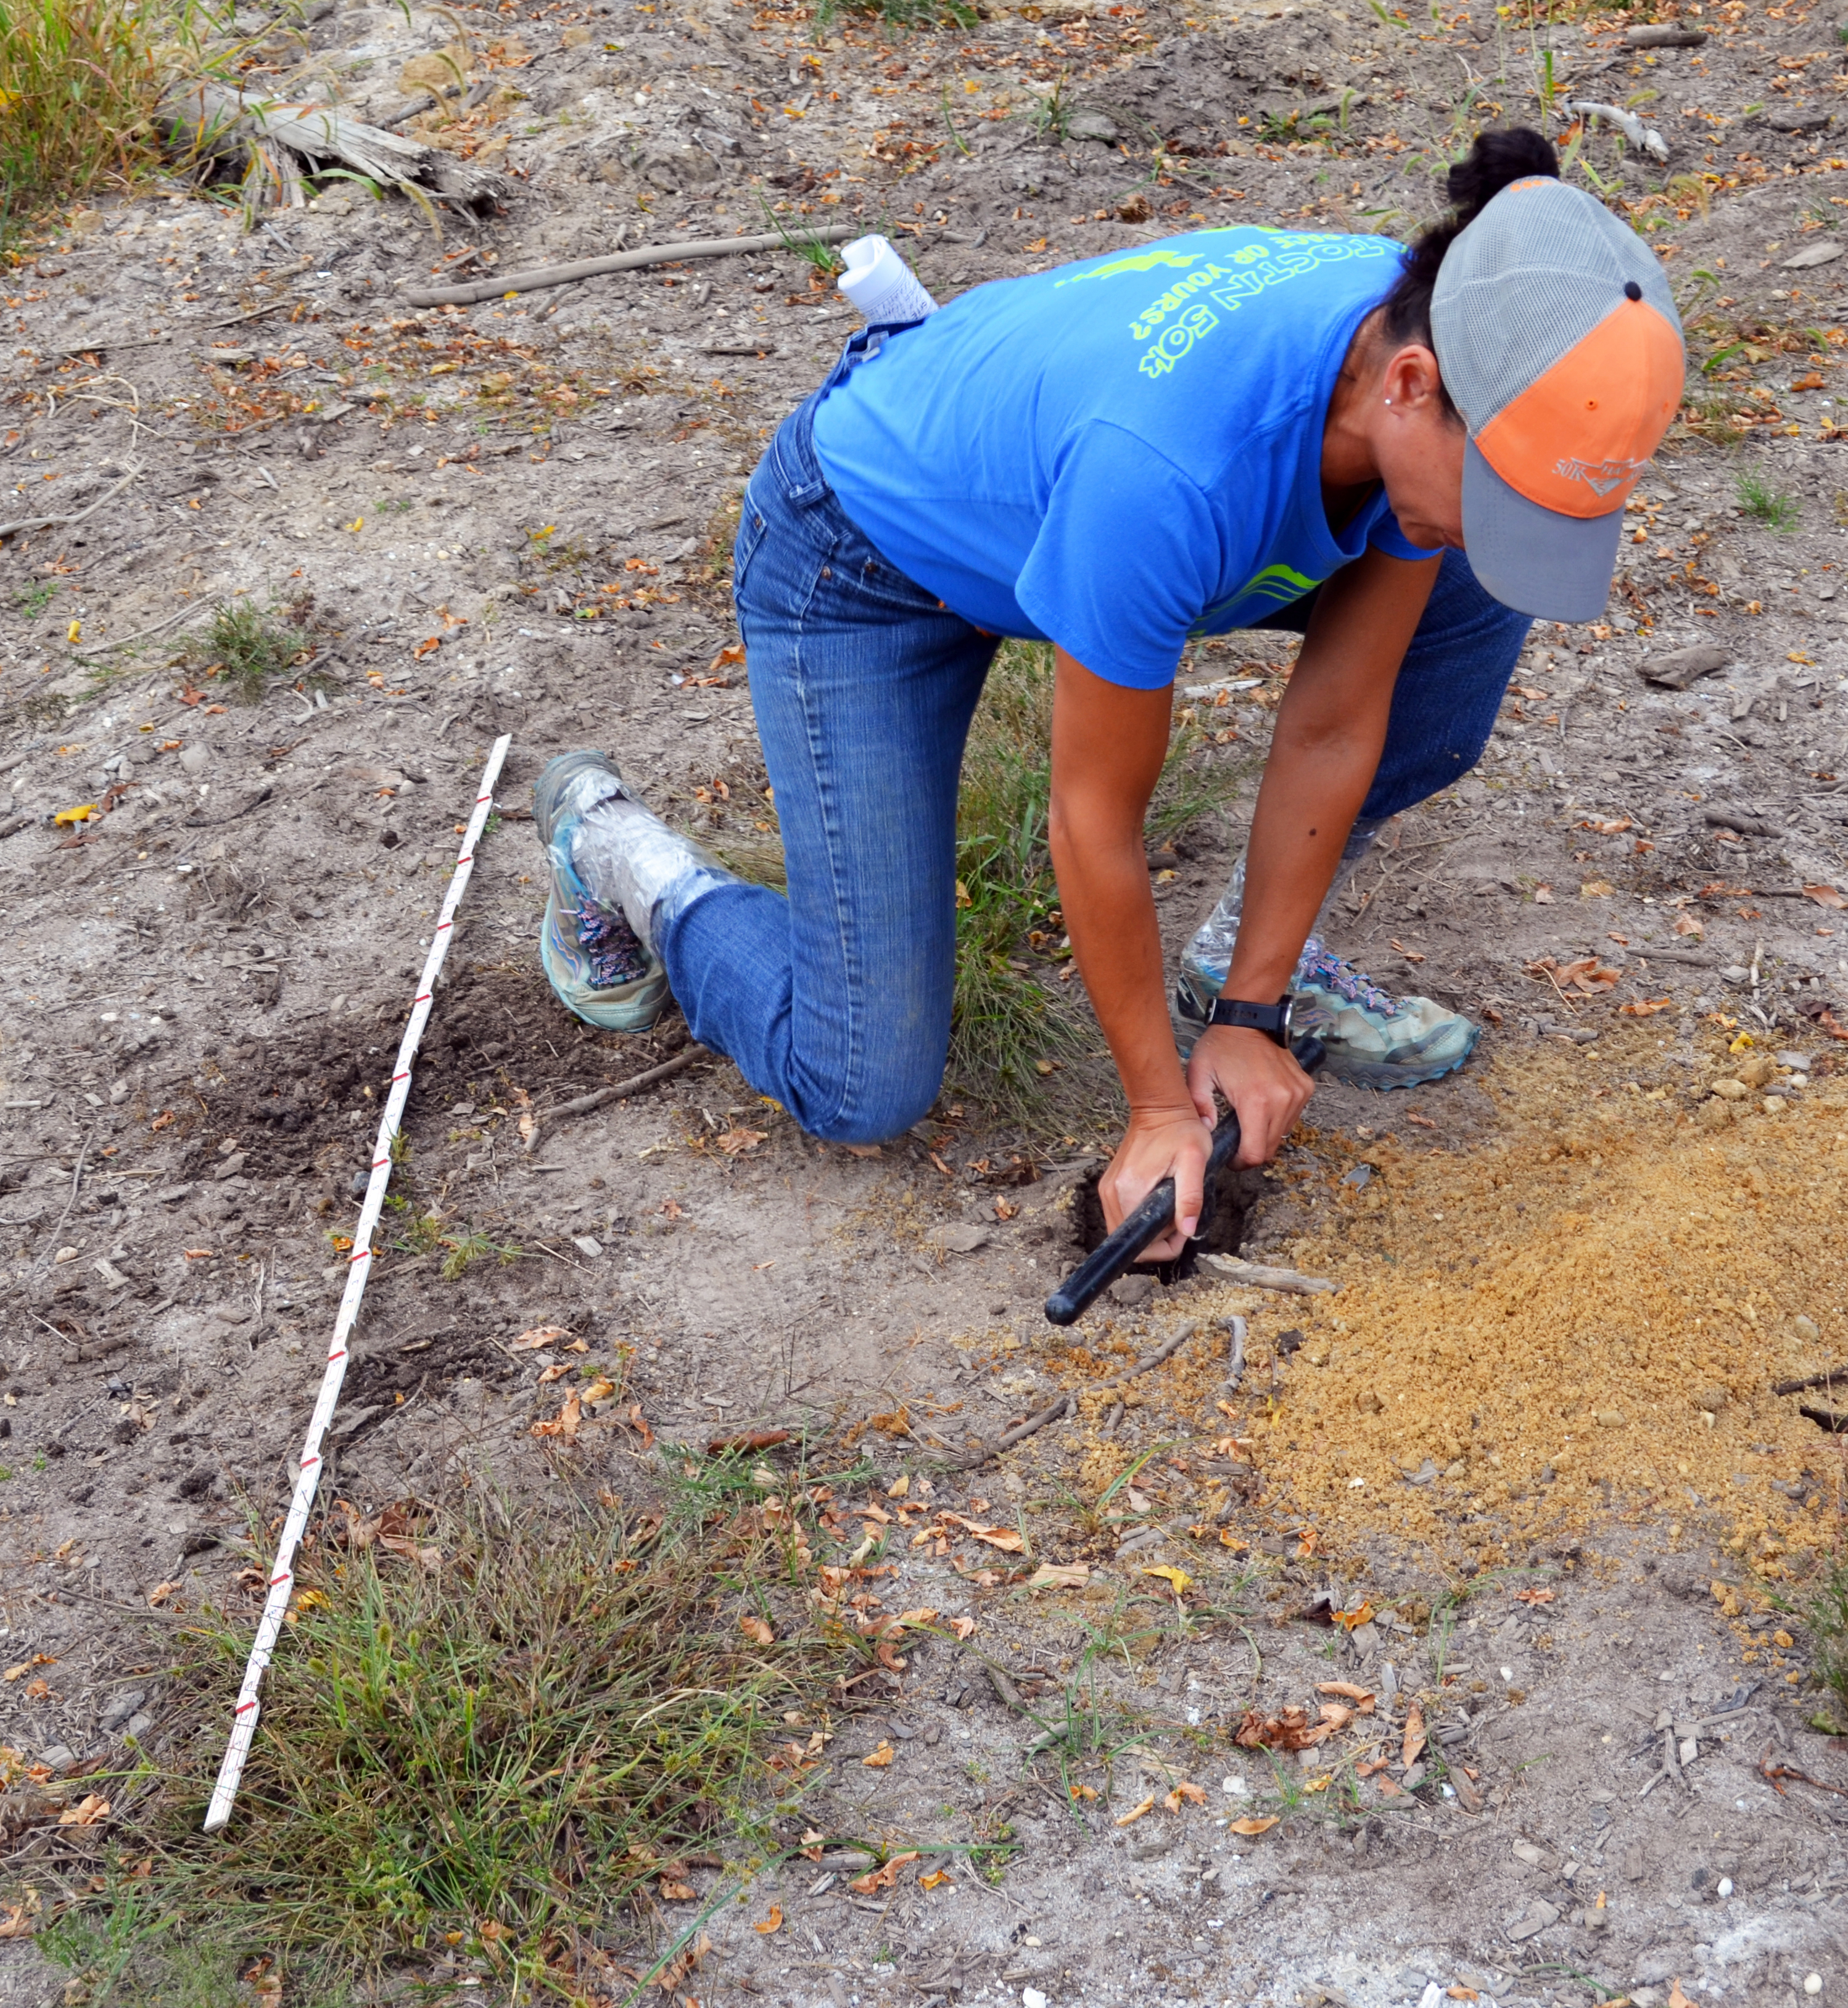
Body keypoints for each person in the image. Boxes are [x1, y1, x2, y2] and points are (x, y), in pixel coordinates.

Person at [531, 126, 1683, 1262]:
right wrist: (1159, 1113)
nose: (1503, 527)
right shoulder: (1173, 469)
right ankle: (611, 851)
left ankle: (1236, 958)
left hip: (1064, 507)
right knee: (859, 1080)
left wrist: (1249, 1014)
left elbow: (1337, 720)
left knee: (1474, 597)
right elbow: (1092, 814)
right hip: (864, 563)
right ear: (1412, 386)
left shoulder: (1438, 341)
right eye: (1501, 495)